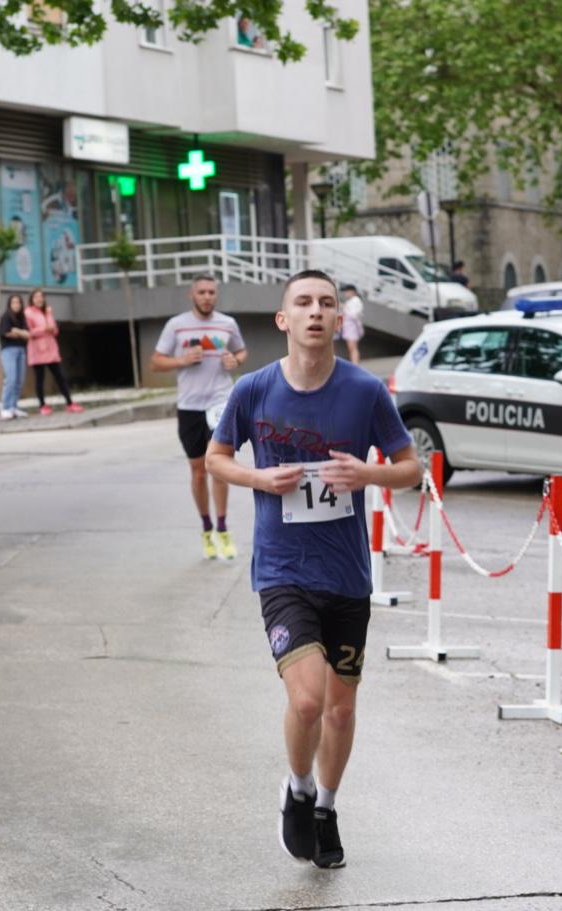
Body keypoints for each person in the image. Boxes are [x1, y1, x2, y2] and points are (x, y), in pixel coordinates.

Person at [205, 269, 420, 869]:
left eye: (327, 303)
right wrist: (257, 478)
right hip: (282, 571)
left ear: (337, 319)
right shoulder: (253, 390)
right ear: (284, 320)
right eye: (303, 303)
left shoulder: (364, 391)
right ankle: (297, 789)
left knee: (342, 709)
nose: (317, 312)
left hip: (348, 574)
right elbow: (216, 458)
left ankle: (325, 806)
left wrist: (367, 473)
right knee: (307, 702)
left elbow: (412, 467)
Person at [151, 275, 247, 560]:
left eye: (211, 292)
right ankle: (206, 528)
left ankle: (223, 527)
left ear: (216, 295)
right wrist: (181, 360)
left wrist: (236, 360)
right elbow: (156, 361)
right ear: (191, 295)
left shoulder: (227, 324)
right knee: (197, 470)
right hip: (190, 406)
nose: (206, 296)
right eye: (201, 292)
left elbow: (241, 350)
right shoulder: (177, 326)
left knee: (219, 466)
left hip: (220, 403)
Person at [25, 289, 82, 416]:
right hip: (37, 349)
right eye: (36, 297)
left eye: (41, 296)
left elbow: (55, 331)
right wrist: (44, 329)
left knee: (60, 377)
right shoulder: (28, 312)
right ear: (32, 299)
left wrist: (50, 321)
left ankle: (70, 403)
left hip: (51, 349)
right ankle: (42, 406)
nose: (39, 299)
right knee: (40, 379)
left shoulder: (47, 311)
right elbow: (29, 332)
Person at [0, 293, 30, 420]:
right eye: (13, 302)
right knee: (10, 379)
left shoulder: (22, 317)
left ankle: (13, 406)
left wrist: (17, 331)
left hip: (21, 350)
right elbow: (5, 333)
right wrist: (19, 333)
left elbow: (28, 334)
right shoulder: (5, 317)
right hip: (8, 350)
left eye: (18, 302)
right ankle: (4, 408)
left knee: (19, 381)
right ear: (9, 304)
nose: (16, 305)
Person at [338, 284, 365, 364]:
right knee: (351, 348)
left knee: (353, 348)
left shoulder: (356, 300)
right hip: (348, 327)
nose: (345, 293)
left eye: (346, 291)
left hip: (352, 327)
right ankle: (354, 364)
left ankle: (355, 365)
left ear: (352, 291)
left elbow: (354, 315)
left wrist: (344, 307)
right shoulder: (351, 301)